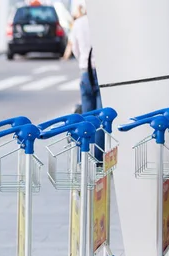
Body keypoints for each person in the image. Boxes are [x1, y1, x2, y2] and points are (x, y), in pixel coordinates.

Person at [68, 4, 104, 162]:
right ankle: (98, 160)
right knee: (101, 119)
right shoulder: (102, 21)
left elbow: (74, 48)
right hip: (102, 72)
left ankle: (85, 157)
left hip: (85, 72)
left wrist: (83, 61)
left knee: (87, 118)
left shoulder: (78, 23)